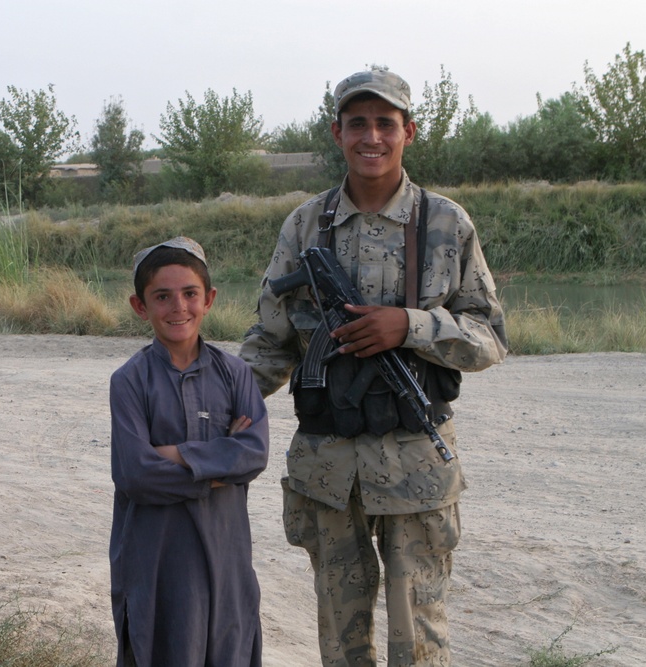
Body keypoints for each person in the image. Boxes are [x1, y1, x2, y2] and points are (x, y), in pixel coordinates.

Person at [239, 67, 508, 666]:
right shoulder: (304, 225)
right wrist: (214, 405)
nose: (371, 137)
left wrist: (408, 325)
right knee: (340, 639)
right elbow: (270, 340)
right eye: (357, 123)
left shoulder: (446, 224)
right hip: (328, 470)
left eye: (385, 123)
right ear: (337, 132)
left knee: (419, 642)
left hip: (416, 462)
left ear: (408, 131)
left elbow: (489, 338)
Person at [109, 237, 270, 667]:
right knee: (164, 645)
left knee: (229, 645)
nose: (178, 307)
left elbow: (254, 453)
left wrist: (175, 454)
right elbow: (136, 475)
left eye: (189, 294)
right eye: (162, 296)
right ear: (140, 306)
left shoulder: (235, 373)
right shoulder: (129, 381)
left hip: (225, 550)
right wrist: (217, 469)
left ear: (210, 299)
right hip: (158, 556)